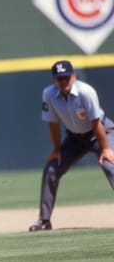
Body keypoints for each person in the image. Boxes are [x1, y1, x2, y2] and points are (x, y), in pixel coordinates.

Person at [29, 60, 114, 232]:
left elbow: (96, 122)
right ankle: (44, 220)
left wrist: (105, 149)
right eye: (59, 78)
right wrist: (57, 149)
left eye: (66, 77)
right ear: (54, 80)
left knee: (110, 165)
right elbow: (52, 123)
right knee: (52, 169)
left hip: (101, 133)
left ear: (73, 76)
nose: (63, 81)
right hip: (75, 139)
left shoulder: (86, 92)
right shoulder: (49, 94)